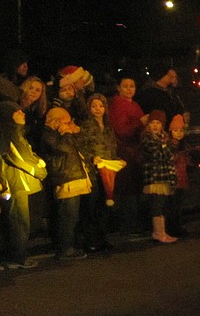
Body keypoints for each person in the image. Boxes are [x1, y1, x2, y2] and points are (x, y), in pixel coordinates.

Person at [38, 106, 90, 261]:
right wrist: (67, 132)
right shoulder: (48, 135)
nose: (68, 124)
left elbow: (79, 145)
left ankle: (70, 245)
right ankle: (65, 248)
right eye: (66, 122)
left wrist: (76, 131)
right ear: (56, 122)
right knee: (67, 216)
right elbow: (65, 148)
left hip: (75, 176)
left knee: (73, 216)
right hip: (66, 178)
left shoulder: (60, 133)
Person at [0, 100, 47, 269]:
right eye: (17, 112)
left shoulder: (12, 133)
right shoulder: (10, 134)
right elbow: (21, 156)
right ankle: (17, 257)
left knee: (15, 221)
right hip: (15, 184)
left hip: (13, 183)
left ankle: (13, 256)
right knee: (19, 221)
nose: (22, 114)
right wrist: (39, 169)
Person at [78, 93, 121, 252]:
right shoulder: (86, 125)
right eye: (94, 106)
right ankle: (90, 240)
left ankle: (102, 238)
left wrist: (116, 159)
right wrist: (91, 158)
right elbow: (82, 146)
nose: (98, 109)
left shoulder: (108, 126)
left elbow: (111, 146)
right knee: (91, 206)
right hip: (93, 171)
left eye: (101, 106)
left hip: (107, 170)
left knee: (105, 205)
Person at [107, 73, 146, 235]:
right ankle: (127, 224)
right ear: (118, 88)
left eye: (132, 86)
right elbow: (122, 129)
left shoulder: (135, 105)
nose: (129, 89)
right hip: (124, 151)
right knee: (126, 190)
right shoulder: (117, 104)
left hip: (135, 152)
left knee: (134, 188)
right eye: (125, 86)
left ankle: (133, 222)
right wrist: (140, 123)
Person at [142, 110, 178, 243]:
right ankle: (158, 232)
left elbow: (169, 153)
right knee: (156, 204)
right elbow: (161, 155)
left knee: (162, 204)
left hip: (164, 176)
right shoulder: (148, 139)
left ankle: (162, 231)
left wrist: (166, 148)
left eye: (158, 123)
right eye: (152, 123)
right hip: (155, 176)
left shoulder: (164, 138)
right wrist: (166, 148)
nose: (155, 125)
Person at [135, 62, 188, 128]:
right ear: (162, 76)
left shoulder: (171, 91)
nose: (173, 78)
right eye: (170, 76)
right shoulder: (149, 92)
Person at [165, 114, 190, 238]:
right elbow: (170, 159)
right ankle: (172, 227)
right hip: (173, 177)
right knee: (172, 205)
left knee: (178, 204)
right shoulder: (170, 145)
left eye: (181, 131)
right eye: (175, 131)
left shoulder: (183, 145)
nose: (179, 133)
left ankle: (177, 226)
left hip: (181, 178)